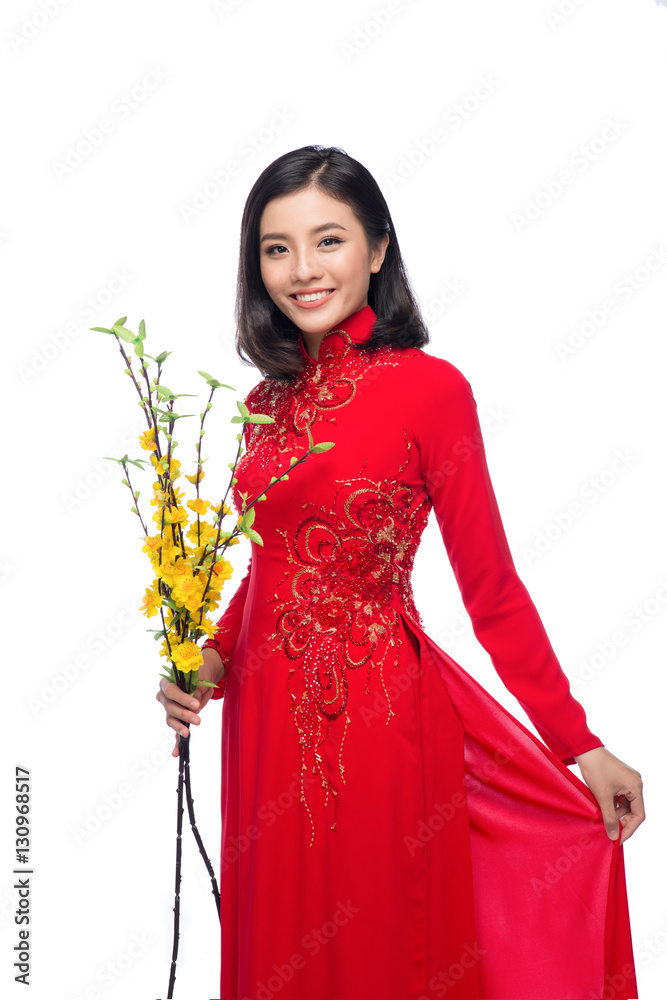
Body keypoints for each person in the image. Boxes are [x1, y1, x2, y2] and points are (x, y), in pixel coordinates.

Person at [156, 145, 644, 1000]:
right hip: (263, 727)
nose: (302, 270)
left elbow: (490, 587)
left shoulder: (429, 390)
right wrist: (210, 658)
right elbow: (273, 568)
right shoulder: (264, 408)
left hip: (374, 719)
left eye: (328, 241)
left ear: (377, 249)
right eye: (276, 248)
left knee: (380, 946)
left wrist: (577, 742)